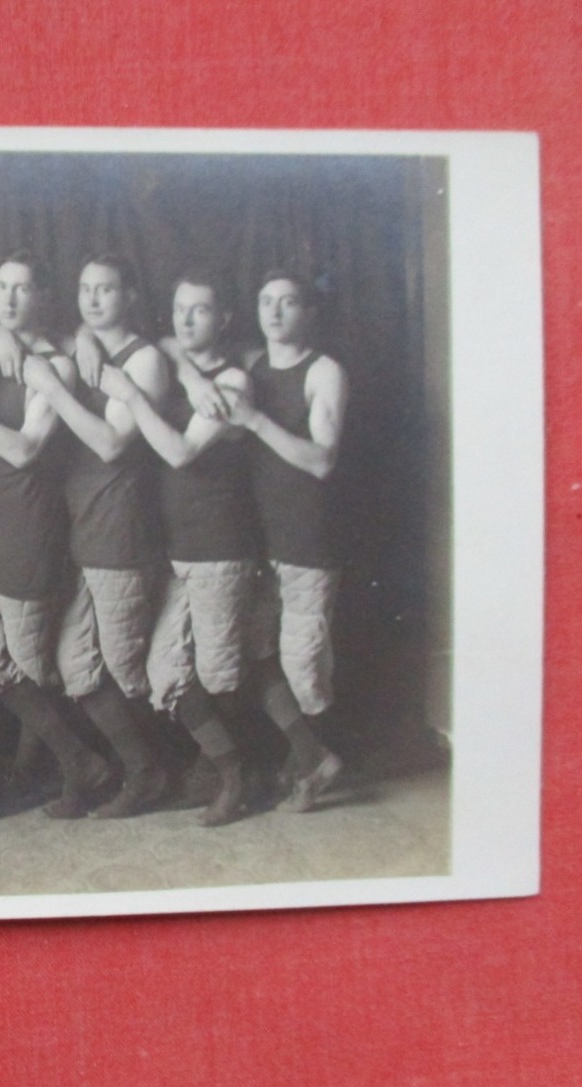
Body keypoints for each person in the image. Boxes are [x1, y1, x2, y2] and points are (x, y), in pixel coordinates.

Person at [0, 251, 113, 817]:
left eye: (22, 289)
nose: (7, 299)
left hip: (29, 527)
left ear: (44, 297)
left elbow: (25, 450)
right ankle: (61, 763)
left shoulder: (55, 366)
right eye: (0, 286)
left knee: (26, 666)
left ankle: (77, 766)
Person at [13, 253, 173, 819]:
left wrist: (54, 390)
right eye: (85, 289)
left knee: (134, 672)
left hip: (121, 530)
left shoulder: (146, 360)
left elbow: (110, 443)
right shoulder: (83, 345)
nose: (94, 299)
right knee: (77, 665)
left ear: (129, 296)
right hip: (83, 531)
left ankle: (187, 767)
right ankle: (138, 769)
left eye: (106, 290)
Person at [97, 271, 260, 825]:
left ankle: (250, 770)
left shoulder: (234, 382)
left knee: (219, 674)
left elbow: (180, 454)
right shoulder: (182, 363)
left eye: (201, 310)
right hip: (180, 549)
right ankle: (229, 768)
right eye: (179, 308)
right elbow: (166, 343)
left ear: (225, 320)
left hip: (220, 547)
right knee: (166, 672)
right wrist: (183, 373)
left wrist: (131, 396)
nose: (187, 320)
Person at [221, 269, 349, 811]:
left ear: (309, 312)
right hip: (258, 541)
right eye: (265, 300)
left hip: (308, 541)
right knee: (253, 653)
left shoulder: (325, 371)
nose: (274, 312)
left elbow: (321, 460)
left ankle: (320, 758)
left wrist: (253, 419)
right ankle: (308, 755)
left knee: (302, 664)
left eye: (288, 302)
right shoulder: (249, 364)